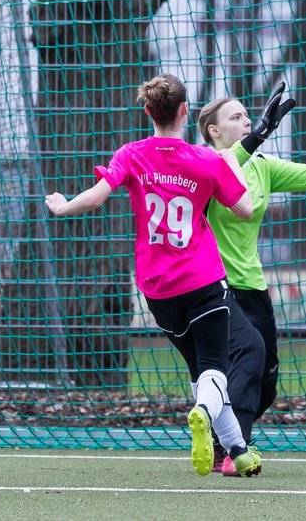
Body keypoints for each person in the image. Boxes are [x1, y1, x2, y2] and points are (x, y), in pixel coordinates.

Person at [45, 73, 263, 477]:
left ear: (148, 111)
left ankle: (240, 452)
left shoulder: (131, 154)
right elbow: (245, 210)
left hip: (157, 289)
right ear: (185, 112)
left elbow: (96, 198)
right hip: (202, 278)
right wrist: (232, 162)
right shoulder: (208, 160)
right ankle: (201, 413)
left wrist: (62, 206)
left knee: (202, 371)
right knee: (215, 367)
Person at [197, 83, 306, 475]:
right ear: (213, 131)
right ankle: (232, 447)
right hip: (213, 288)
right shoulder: (201, 164)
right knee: (246, 360)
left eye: (246, 116)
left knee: (267, 382)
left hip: (253, 287)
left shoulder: (262, 167)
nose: (245, 121)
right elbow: (221, 173)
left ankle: (223, 432)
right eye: (235, 117)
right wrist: (258, 133)